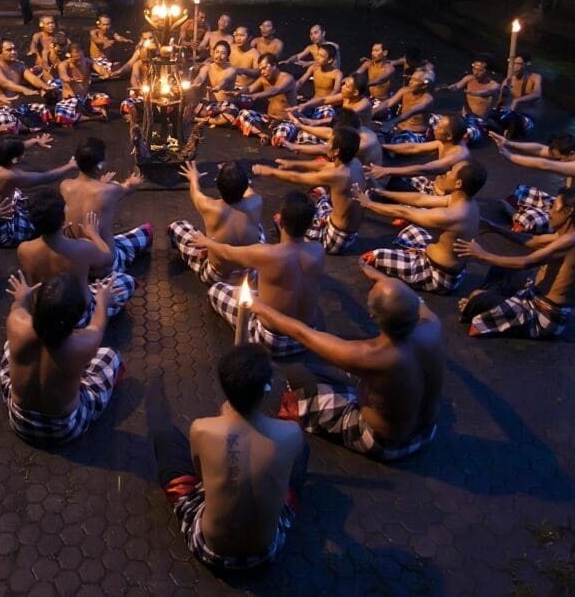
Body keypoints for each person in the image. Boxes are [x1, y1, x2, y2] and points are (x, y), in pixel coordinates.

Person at [250, 261, 443, 461]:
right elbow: (410, 300)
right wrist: (377, 276)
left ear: (373, 316)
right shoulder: (433, 325)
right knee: (342, 375)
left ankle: (316, 417)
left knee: (297, 373)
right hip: (427, 431)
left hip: (386, 443)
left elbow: (302, 333)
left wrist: (260, 308)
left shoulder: (369, 356)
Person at [154, 344, 306, 570]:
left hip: (210, 550)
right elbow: (291, 477)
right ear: (265, 390)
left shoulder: (202, 429)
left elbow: (200, 477)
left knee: (165, 437)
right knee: (302, 453)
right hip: (265, 552)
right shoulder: (292, 433)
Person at [188, 191, 325, 357]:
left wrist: (207, 242)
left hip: (273, 341)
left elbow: (226, 252)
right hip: (309, 339)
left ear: (279, 220)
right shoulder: (318, 251)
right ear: (310, 225)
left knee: (215, 290)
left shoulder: (266, 254)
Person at [0, 271, 124, 445]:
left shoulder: (16, 324)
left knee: (9, 345)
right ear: (77, 318)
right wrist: (102, 302)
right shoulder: (83, 344)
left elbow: (18, 307)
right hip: (65, 430)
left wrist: (23, 296)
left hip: (20, 422)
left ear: (37, 306)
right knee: (112, 356)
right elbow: (98, 323)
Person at [454, 187, 575, 339]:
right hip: (536, 294)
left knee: (477, 298)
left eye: (554, 207)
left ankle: (482, 301)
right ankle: (488, 299)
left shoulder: (571, 242)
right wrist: (495, 228)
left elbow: (526, 262)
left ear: (569, 212)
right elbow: (532, 241)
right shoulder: (570, 236)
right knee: (501, 269)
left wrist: (482, 255)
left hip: (545, 315)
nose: (549, 212)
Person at [356, 161, 486, 294]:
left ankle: (396, 288)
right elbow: (421, 199)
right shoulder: (467, 202)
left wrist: (369, 204)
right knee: (413, 230)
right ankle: (415, 254)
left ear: (458, 183)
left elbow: (404, 212)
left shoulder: (452, 216)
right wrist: (384, 193)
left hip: (437, 274)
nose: (447, 173)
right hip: (438, 257)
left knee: (372, 257)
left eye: (451, 171)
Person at [18, 190, 135, 324]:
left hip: (45, 316)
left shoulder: (24, 249)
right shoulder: (82, 248)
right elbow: (109, 257)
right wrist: (94, 234)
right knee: (127, 280)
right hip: (79, 316)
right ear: (63, 219)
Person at [252, 127, 364, 255]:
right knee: (318, 191)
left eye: (330, 142)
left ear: (337, 151)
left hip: (334, 239)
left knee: (284, 220)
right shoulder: (354, 163)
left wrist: (270, 171)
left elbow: (298, 178)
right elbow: (324, 166)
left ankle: (287, 247)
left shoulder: (339, 175)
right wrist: (292, 164)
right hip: (343, 228)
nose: (327, 145)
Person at [60, 137, 151, 276]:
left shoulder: (65, 186)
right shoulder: (110, 190)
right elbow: (128, 187)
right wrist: (135, 182)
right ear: (99, 165)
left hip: (75, 261)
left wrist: (100, 183)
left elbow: (88, 193)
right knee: (147, 231)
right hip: (104, 265)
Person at [169, 161, 263, 285]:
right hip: (250, 274)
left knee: (177, 226)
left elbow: (195, 192)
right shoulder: (257, 201)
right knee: (258, 227)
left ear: (218, 187)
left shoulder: (209, 206)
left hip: (220, 277)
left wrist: (193, 178)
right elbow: (247, 189)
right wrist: (234, 177)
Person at [0, 135, 77, 247]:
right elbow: (45, 177)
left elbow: (9, 147)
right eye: (21, 155)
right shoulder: (8, 176)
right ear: (15, 159)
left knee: (17, 193)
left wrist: (34, 141)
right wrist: (70, 166)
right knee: (46, 219)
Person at [494, 131, 575, 234]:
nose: (559, 161)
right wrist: (508, 143)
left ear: (572, 153)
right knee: (522, 192)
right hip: (564, 205)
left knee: (525, 220)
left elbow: (545, 165)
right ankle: (529, 214)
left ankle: (533, 220)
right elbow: (540, 149)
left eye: (560, 158)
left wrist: (511, 156)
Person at [369, 113, 470, 194]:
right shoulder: (445, 142)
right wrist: (382, 146)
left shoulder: (457, 156)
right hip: (434, 185)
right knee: (396, 181)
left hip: (443, 198)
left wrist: (386, 170)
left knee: (394, 188)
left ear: (449, 136)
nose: (435, 128)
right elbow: (413, 147)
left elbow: (424, 169)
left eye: (439, 127)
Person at [0, 40, 56, 132]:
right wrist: (24, 90)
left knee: (43, 109)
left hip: (18, 108)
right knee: (5, 119)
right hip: (0, 109)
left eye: (14, 49)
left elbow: (33, 78)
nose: (13, 52)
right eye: (9, 50)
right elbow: (6, 83)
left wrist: (45, 86)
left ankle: (23, 125)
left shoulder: (20, 66)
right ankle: (26, 127)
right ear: (0, 53)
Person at [280, 108, 382, 170]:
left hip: (365, 179)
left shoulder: (363, 145)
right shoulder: (358, 129)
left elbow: (326, 149)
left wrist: (294, 147)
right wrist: (301, 126)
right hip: (356, 165)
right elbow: (330, 132)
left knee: (323, 165)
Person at [234, 54, 298, 145]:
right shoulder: (263, 79)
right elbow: (249, 89)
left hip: (286, 120)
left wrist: (255, 96)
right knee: (243, 114)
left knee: (279, 138)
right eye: (260, 69)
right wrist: (238, 93)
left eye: (264, 68)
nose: (262, 72)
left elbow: (275, 91)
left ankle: (279, 134)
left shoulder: (287, 79)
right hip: (268, 118)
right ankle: (263, 135)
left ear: (274, 65)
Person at [435, 53, 500, 141]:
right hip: (462, 119)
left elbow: (486, 92)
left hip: (478, 122)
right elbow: (456, 86)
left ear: (488, 71)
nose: (475, 72)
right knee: (434, 120)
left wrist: (472, 92)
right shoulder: (469, 79)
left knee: (466, 134)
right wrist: (446, 88)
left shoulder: (494, 85)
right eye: (474, 68)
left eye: (480, 70)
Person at [372, 69, 435, 145]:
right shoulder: (404, 91)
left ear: (424, 85)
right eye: (411, 78)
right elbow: (388, 103)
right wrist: (371, 112)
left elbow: (411, 112)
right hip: (398, 127)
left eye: (415, 80)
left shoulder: (427, 100)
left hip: (415, 133)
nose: (410, 82)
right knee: (371, 129)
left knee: (399, 142)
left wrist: (391, 123)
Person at [54, 44, 112, 126]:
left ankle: (87, 113)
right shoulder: (64, 64)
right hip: (70, 99)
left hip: (85, 98)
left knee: (104, 98)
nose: (79, 61)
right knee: (61, 117)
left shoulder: (88, 62)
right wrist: (68, 79)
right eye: (76, 58)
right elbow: (63, 75)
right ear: (69, 56)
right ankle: (91, 117)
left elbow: (100, 69)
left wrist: (105, 74)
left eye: (80, 57)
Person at [488, 53, 542, 139]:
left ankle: (508, 132)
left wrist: (517, 100)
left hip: (526, 117)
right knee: (490, 115)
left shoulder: (535, 77)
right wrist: (502, 95)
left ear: (526, 64)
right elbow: (500, 103)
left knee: (514, 120)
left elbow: (537, 94)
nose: (515, 67)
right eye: (513, 63)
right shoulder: (508, 81)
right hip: (510, 113)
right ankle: (504, 130)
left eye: (519, 64)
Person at [190, 41, 243, 126]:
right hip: (208, 105)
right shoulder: (207, 67)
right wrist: (196, 84)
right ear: (213, 53)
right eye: (217, 52)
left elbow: (225, 81)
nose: (219, 56)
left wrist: (217, 88)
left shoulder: (232, 70)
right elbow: (200, 77)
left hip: (224, 105)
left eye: (223, 53)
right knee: (187, 107)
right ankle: (207, 118)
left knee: (231, 114)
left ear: (227, 56)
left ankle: (201, 120)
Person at [292, 44, 343, 112]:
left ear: (330, 60)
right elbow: (301, 81)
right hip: (313, 102)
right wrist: (291, 90)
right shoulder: (314, 67)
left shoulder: (337, 74)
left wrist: (324, 102)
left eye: (321, 56)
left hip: (327, 105)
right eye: (318, 54)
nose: (317, 58)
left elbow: (336, 90)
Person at [351, 43, 397, 116]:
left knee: (366, 114)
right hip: (370, 99)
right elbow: (357, 73)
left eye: (376, 50)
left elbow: (380, 80)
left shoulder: (389, 68)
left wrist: (362, 84)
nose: (373, 53)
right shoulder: (368, 64)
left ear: (385, 53)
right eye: (372, 50)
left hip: (383, 102)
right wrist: (349, 79)